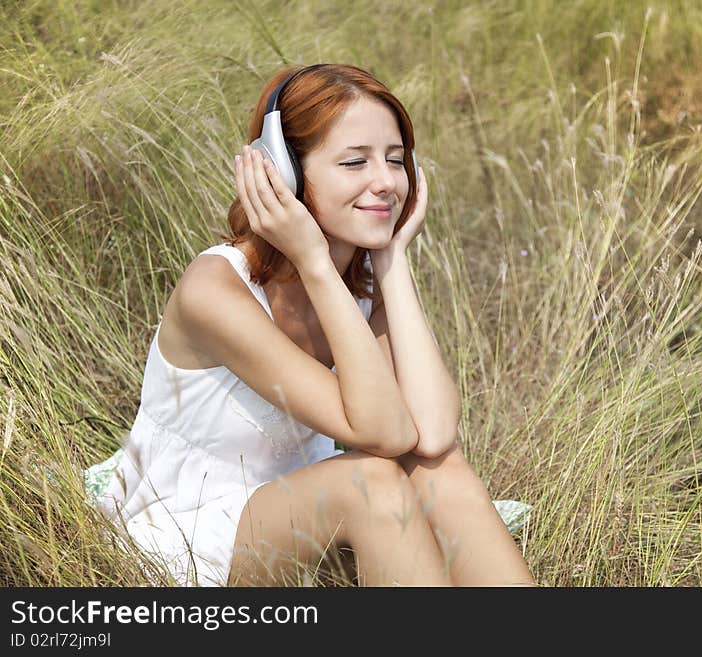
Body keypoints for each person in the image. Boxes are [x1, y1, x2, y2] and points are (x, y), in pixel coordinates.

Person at [93, 63, 536, 587]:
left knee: (442, 470)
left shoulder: (364, 280)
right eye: (354, 162)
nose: (385, 183)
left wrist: (392, 259)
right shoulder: (214, 288)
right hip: (184, 526)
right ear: (284, 172)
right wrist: (316, 262)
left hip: (301, 509)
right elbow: (385, 433)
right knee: (369, 480)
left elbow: (434, 435)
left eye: (396, 162)